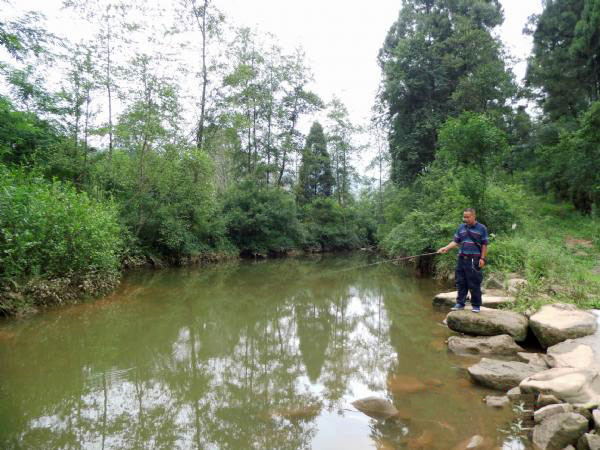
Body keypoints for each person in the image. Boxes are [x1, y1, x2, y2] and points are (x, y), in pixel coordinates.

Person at [437, 208, 488, 313]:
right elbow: (456, 241)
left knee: (474, 283)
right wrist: (445, 248)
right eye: (464, 217)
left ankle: (476, 305)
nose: (465, 219)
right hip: (461, 259)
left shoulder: (482, 228)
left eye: (467, 217)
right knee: (460, 282)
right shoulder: (461, 227)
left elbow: (484, 244)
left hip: (474, 259)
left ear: (474, 216)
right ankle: (460, 303)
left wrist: (482, 258)